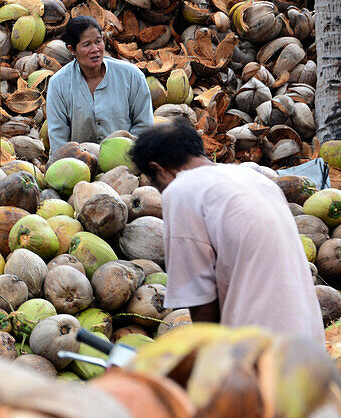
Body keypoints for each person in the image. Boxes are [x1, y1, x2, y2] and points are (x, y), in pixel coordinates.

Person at [130, 118, 325, 343]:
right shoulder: (254, 178)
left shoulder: (181, 190)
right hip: (310, 341)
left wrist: (209, 359)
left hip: (261, 349)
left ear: (159, 171)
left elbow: (200, 298)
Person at [46, 15, 154, 153]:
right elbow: (58, 140)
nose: (95, 49)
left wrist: (126, 153)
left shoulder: (131, 75)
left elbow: (144, 126)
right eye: (87, 45)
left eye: (98, 41)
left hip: (128, 159)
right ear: (72, 49)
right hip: (82, 165)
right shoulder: (58, 84)